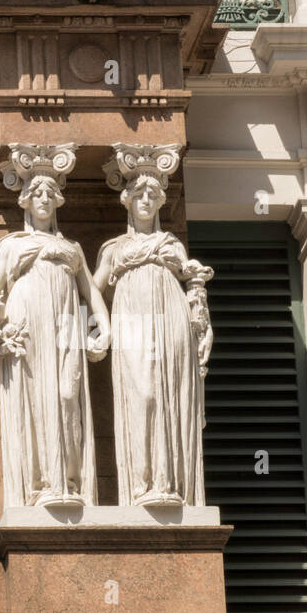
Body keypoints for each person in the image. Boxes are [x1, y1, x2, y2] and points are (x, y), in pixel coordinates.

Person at [0, 143, 112, 509]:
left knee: (68, 395)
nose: (42, 199)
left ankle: (70, 479)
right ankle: (43, 483)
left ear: (56, 202)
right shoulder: (12, 246)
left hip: (66, 327)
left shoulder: (71, 248)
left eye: (49, 194)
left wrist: (104, 328)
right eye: (36, 193)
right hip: (29, 324)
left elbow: (91, 292)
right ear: (25, 200)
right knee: (37, 398)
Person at [95, 143, 213, 507]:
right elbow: (91, 290)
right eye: (139, 194)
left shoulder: (172, 244)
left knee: (168, 396)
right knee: (142, 395)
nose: (146, 200)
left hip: (170, 323)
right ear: (127, 200)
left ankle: (168, 483)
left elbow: (193, 288)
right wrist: (92, 329)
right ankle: (141, 483)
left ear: (161, 202)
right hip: (132, 322)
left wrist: (201, 319)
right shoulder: (114, 248)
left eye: (153, 194)